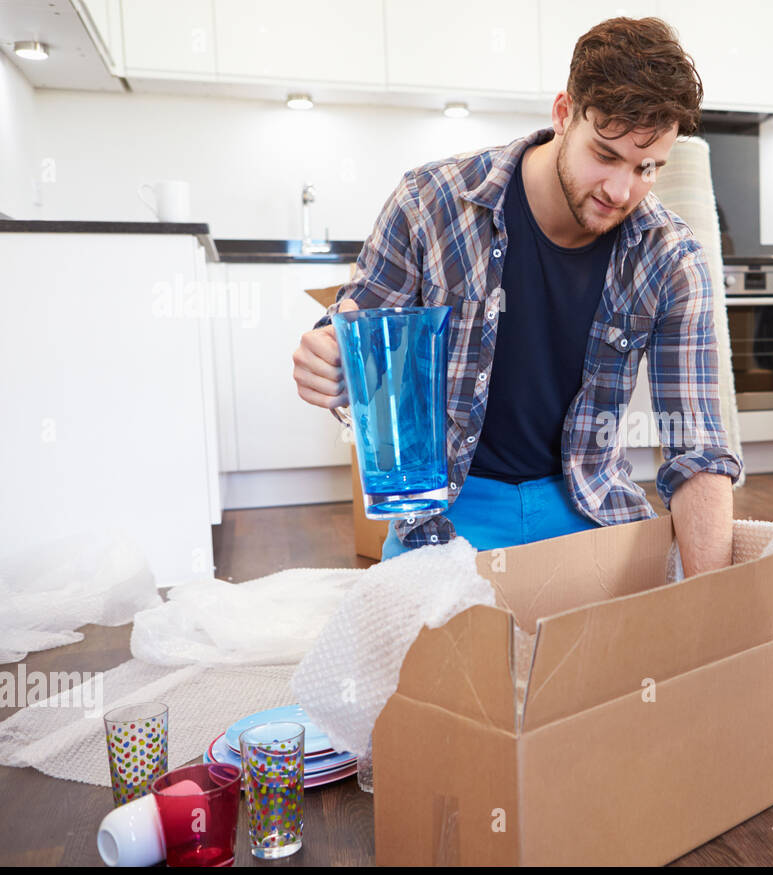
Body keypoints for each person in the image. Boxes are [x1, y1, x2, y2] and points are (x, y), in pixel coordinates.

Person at [291, 17, 741, 577]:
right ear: (563, 114)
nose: (622, 191)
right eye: (604, 155)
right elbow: (356, 338)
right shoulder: (429, 204)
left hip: (587, 509)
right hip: (450, 514)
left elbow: (695, 446)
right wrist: (333, 361)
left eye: (647, 168)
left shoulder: (672, 259)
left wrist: (719, 607)